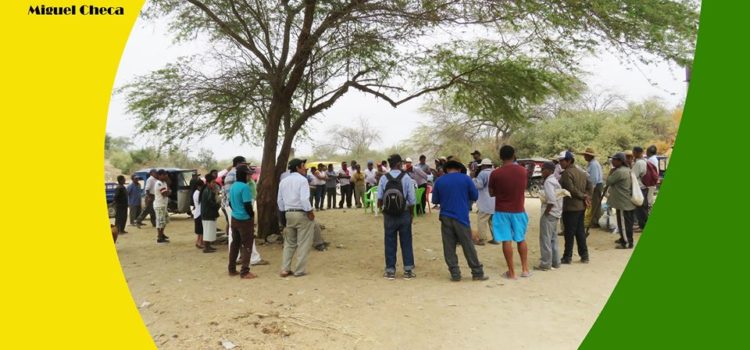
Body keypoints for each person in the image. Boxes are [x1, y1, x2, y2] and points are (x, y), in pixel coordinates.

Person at [432, 160, 488, 282]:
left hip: (445, 216)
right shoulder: (466, 179)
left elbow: (434, 199)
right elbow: (475, 196)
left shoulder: (439, 181)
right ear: (459, 169)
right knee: (468, 245)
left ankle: (455, 273)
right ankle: (477, 272)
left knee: (449, 246)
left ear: (446, 169)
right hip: (461, 216)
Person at [488, 145, 530, 279]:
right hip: (518, 210)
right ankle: (525, 269)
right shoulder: (523, 171)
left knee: (506, 240)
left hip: (502, 210)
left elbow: (491, 193)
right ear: (514, 155)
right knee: (521, 239)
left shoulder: (495, 173)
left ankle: (511, 272)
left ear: (501, 157)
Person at [223, 156, 269, 266]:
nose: (249, 174)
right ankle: (252, 259)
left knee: (234, 236)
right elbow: (240, 201)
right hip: (240, 210)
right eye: (244, 164)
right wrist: (249, 214)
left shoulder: (232, 177)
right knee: (247, 236)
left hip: (235, 209)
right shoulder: (239, 181)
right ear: (239, 164)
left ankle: (236, 259)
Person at [378, 154, 417, 280]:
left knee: (389, 241)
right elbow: (412, 200)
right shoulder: (406, 178)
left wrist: (383, 210)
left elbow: (379, 199)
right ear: (399, 164)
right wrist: (411, 214)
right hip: (404, 213)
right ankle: (408, 270)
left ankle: (390, 270)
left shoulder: (384, 178)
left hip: (389, 215)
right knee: (406, 241)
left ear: (389, 164)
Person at [278, 159, 316, 277]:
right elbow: (304, 199)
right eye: (303, 166)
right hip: (301, 213)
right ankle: (299, 270)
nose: (305, 168)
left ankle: (285, 268)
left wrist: (283, 214)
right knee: (304, 243)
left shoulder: (283, 181)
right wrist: (309, 211)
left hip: (288, 213)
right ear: (298, 167)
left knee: (289, 243)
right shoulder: (302, 180)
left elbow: (280, 200)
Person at [558, 151, 593, 264]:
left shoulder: (567, 173)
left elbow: (571, 189)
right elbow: (590, 184)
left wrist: (583, 196)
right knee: (580, 232)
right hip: (580, 207)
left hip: (570, 207)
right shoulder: (581, 172)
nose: (560, 163)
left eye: (562, 161)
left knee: (569, 233)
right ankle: (584, 255)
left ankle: (567, 257)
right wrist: (587, 196)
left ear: (568, 161)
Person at [227, 165, 257, 279]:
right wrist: (252, 216)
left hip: (234, 218)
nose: (250, 176)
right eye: (248, 174)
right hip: (245, 220)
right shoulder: (245, 187)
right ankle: (245, 271)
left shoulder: (234, 186)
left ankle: (232, 269)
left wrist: (236, 210)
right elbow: (247, 205)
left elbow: (230, 203)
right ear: (244, 175)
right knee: (247, 245)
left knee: (235, 244)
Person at [536, 162, 563, 271]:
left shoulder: (548, 182)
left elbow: (551, 200)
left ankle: (546, 263)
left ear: (549, 171)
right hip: (556, 213)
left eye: (543, 170)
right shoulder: (555, 181)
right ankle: (556, 262)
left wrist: (546, 212)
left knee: (545, 239)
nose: (542, 172)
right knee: (553, 238)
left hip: (550, 213)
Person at [606, 153, 637, 249]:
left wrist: (611, 172)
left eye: (614, 160)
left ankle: (627, 243)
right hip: (626, 201)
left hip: (623, 202)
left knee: (623, 224)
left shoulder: (619, 172)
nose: (612, 161)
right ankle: (624, 238)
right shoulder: (627, 170)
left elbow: (608, 181)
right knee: (627, 223)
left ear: (620, 161)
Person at [473, 158, 497, 245]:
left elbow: (479, 185)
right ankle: (496, 238)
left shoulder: (483, 173)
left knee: (481, 220)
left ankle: (482, 239)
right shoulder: (495, 172)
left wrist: (473, 180)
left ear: (484, 165)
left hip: (485, 201)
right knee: (492, 221)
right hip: (494, 201)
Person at [580, 147, 604, 228]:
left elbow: (594, 179)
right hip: (595, 185)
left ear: (590, 156)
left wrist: (591, 190)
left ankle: (595, 222)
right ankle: (594, 220)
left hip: (595, 186)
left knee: (595, 204)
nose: (584, 157)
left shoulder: (593, 164)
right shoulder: (592, 163)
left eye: (586, 155)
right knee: (595, 204)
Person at [201, 174, 221, 253]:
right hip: (207, 214)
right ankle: (206, 247)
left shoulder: (209, 190)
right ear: (208, 183)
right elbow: (210, 203)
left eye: (214, 182)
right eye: (212, 182)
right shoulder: (207, 191)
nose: (214, 184)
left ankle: (208, 246)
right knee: (207, 231)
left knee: (209, 230)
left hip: (209, 214)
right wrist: (218, 204)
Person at [632, 146, 650, 231]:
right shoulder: (645, 161)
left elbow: (633, 176)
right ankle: (643, 224)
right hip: (645, 186)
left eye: (633, 152)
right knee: (644, 207)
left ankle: (642, 226)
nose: (633, 154)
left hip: (639, 188)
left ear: (636, 152)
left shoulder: (639, 163)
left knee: (640, 208)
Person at [153, 169, 171, 244]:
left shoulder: (164, 183)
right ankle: (159, 238)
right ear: (159, 175)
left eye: (165, 175)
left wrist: (168, 191)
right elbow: (165, 194)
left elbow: (167, 191)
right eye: (163, 175)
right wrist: (169, 192)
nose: (165, 176)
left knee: (164, 221)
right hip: (159, 205)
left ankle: (161, 234)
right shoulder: (159, 183)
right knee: (160, 222)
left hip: (163, 205)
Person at [191, 178, 205, 249]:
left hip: (197, 213)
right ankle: (200, 242)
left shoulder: (195, 192)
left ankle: (198, 242)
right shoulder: (198, 193)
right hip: (199, 213)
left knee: (199, 230)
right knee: (201, 230)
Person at [646, 145, 659, 210]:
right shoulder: (654, 158)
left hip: (650, 182)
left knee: (648, 200)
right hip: (653, 181)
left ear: (649, 152)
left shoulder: (650, 160)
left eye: (647, 151)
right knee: (650, 198)